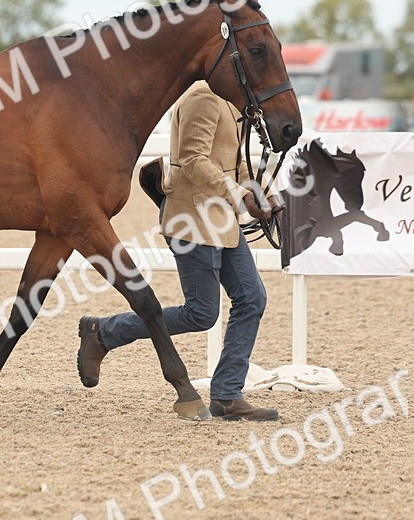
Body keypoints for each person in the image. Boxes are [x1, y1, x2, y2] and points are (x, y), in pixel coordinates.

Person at [76, 82, 280, 421]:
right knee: (201, 313)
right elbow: (193, 159)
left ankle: (227, 394)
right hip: (193, 221)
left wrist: (263, 192)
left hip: (221, 221)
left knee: (252, 298)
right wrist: (238, 195)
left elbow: (235, 163)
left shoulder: (231, 101)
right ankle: (105, 332)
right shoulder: (202, 98)